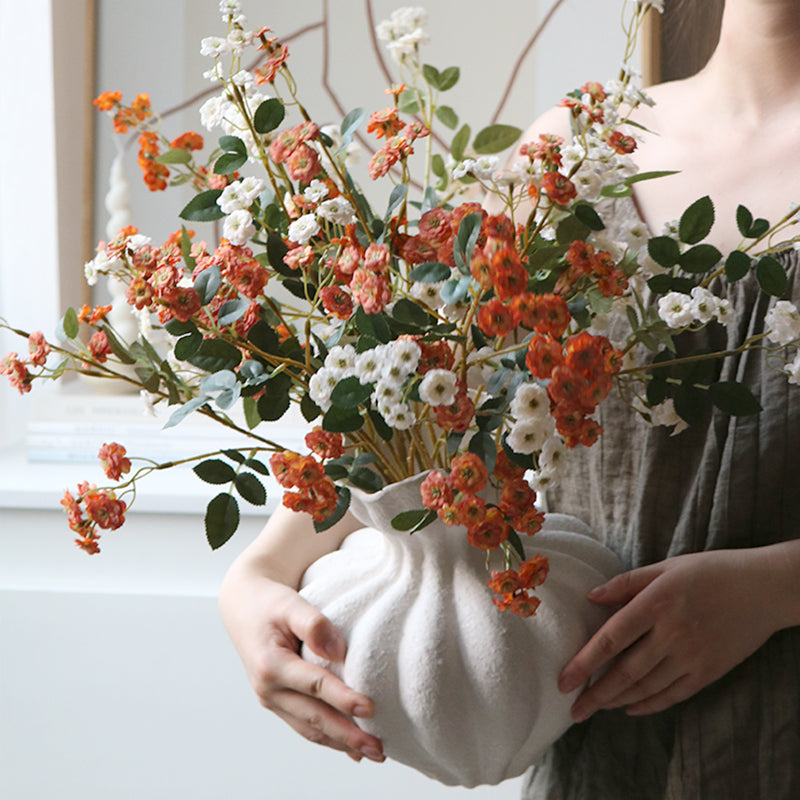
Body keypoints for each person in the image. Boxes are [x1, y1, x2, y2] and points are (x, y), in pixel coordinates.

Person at [219, 0, 800, 794]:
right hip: (605, 756)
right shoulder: (579, 151)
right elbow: (418, 413)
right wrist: (256, 576)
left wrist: (773, 590)